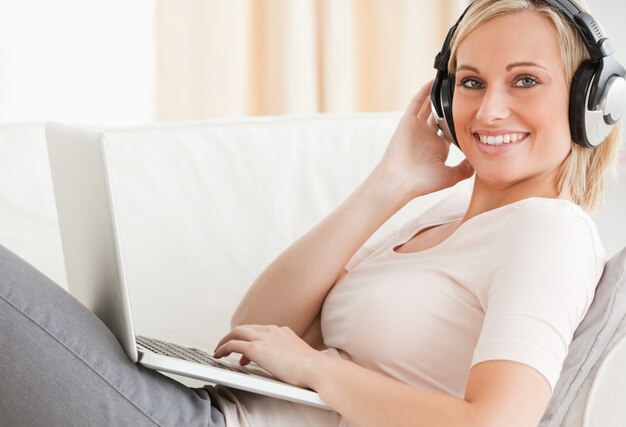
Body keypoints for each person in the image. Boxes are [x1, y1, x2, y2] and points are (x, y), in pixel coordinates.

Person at [0, 0, 623, 426]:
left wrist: (315, 368)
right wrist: (389, 184)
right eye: (469, 82)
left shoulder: (548, 232)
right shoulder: (434, 217)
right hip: (202, 407)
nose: (488, 111)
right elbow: (250, 334)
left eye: (524, 81)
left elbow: (495, 421)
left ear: (586, 103)